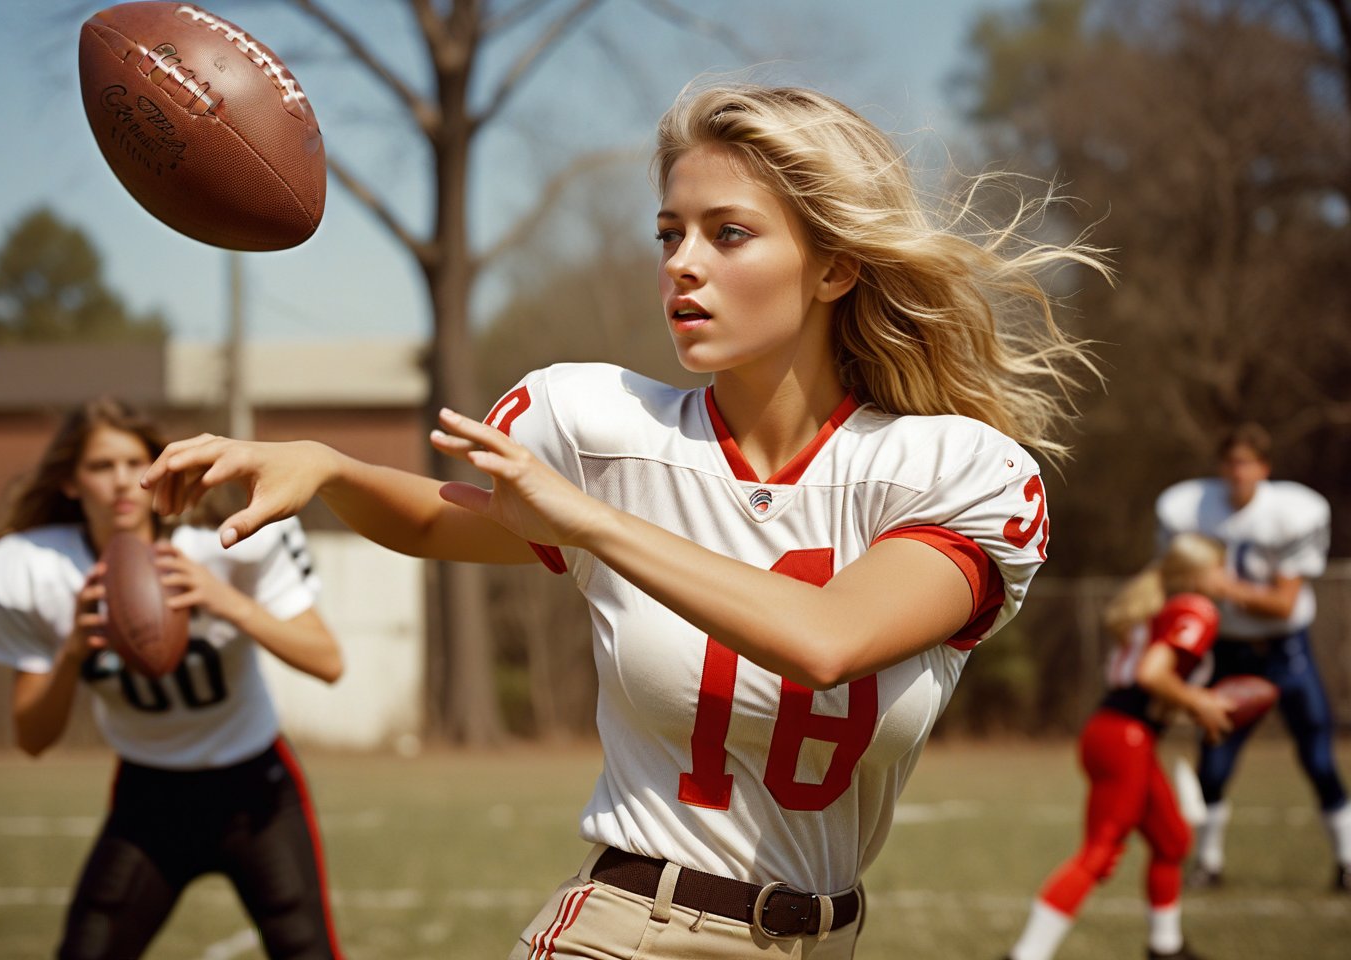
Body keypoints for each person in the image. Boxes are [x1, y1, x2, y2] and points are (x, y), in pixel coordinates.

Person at [142, 83, 1109, 959]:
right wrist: (329, 468)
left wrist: (589, 523)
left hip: (824, 940)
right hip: (628, 932)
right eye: (668, 234)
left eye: (728, 234)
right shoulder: (602, 427)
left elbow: (828, 641)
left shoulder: (954, 469)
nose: (682, 265)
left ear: (834, 270)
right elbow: (449, 526)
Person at [0, 398, 346, 960]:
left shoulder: (224, 543)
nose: (121, 481)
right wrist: (72, 650)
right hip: (150, 796)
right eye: (101, 466)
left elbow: (328, 661)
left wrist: (229, 603)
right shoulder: (34, 572)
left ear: (158, 468)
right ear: (71, 482)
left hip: (255, 787)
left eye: (132, 463)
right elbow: (33, 739)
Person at [1004, 534, 1235, 960]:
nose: (1229, 577)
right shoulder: (1196, 609)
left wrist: (1189, 705)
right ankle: (1026, 955)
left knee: (1171, 841)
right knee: (1099, 851)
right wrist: (1199, 701)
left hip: (1120, 733)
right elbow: (1151, 674)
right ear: (1197, 575)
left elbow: (1148, 686)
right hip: (1124, 736)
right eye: (1222, 567)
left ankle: (1165, 947)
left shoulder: (1159, 607)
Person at [1155, 423, 1350, 892]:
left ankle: (1346, 861)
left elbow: (1283, 603)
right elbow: (1171, 578)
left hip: (1287, 652)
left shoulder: (1292, 513)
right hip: (1229, 649)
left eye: (1246, 463)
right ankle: (1208, 863)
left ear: (1264, 468)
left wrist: (1223, 587)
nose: (1237, 473)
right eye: (1230, 462)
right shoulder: (1192, 508)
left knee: (1319, 758)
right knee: (1215, 762)